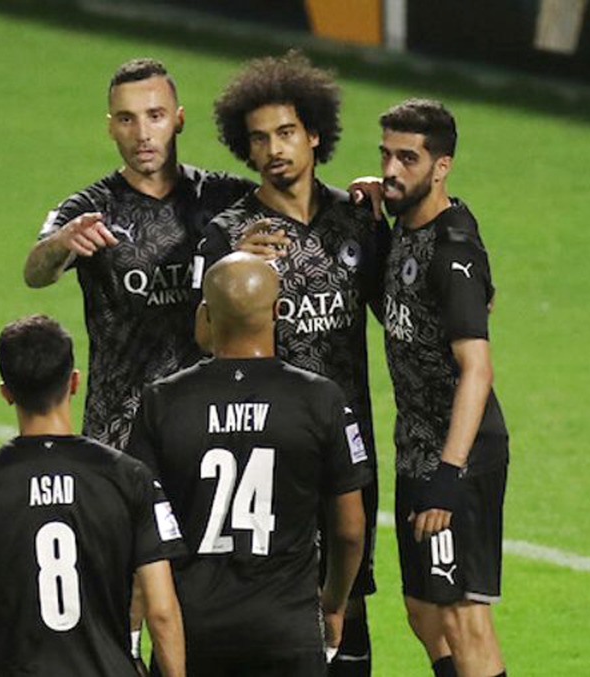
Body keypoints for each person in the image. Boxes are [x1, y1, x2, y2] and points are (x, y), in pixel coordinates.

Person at [195, 51, 388, 676]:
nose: (274, 149)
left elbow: (409, 315)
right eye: (259, 139)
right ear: (244, 151)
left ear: (313, 134)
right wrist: (230, 270)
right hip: (271, 443)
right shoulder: (229, 231)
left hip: (349, 440)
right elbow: (201, 339)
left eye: (285, 133)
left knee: (349, 594)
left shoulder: (357, 219)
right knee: (276, 600)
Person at [127, 253, 370, 676]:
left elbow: (138, 528)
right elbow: (349, 530)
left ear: (205, 313)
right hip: (287, 627)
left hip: (193, 630)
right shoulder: (319, 399)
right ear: (280, 310)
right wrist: (333, 604)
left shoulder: (162, 402)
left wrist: (132, 629)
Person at [0, 315, 187, 676]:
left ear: (6, 392)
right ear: (74, 381)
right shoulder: (128, 477)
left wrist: (24, 613)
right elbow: (160, 610)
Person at [23, 58, 254, 451]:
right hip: (119, 432)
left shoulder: (226, 198)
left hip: (209, 426)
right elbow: (35, 272)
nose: (143, 134)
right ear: (111, 126)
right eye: (127, 119)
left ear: (178, 119)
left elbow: (302, 209)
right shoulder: (92, 207)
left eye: (155, 116)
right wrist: (61, 244)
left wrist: (362, 193)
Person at [378, 99, 509, 677]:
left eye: (408, 158)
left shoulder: (451, 248)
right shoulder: (407, 224)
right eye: (385, 154)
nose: (391, 169)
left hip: (458, 458)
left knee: (461, 616)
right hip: (417, 449)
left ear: (442, 166)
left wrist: (448, 478)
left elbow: (478, 369)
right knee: (421, 609)